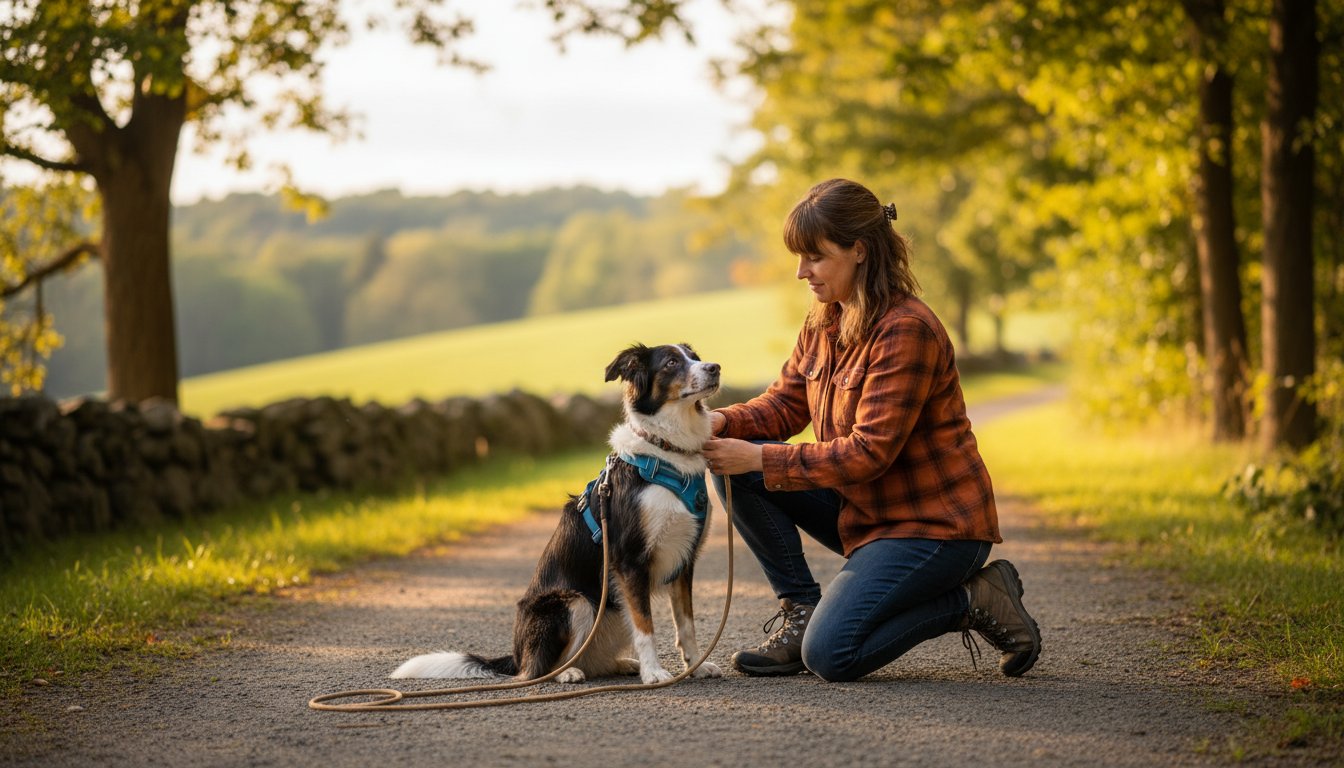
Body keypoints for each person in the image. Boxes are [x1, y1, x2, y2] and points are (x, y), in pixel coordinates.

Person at [701, 178, 1041, 682]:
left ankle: (971, 598)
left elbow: (868, 453)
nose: (801, 272)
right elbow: (786, 404)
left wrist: (757, 458)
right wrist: (721, 421)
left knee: (832, 654)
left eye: (814, 257)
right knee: (737, 463)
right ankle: (800, 611)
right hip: (866, 513)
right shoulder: (823, 321)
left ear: (859, 250)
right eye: (799, 258)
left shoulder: (907, 329)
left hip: (935, 529)